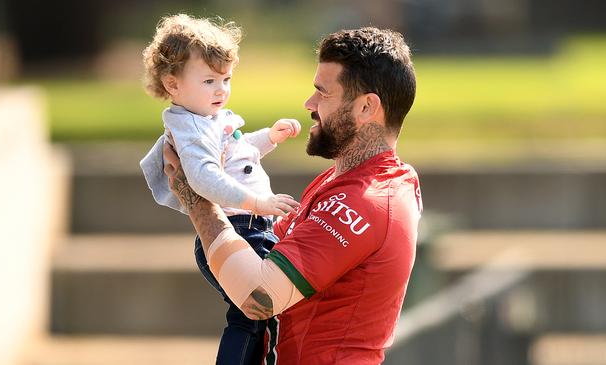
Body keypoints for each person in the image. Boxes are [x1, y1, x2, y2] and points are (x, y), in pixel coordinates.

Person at [164, 26, 422, 364]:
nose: (309, 104)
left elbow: (261, 297)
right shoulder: (349, 181)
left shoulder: (362, 201)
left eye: (322, 92)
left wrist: (195, 196)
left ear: (365, 108)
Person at [138, 14, 301, 365]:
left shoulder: (208, 119)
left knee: (255, 314)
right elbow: (204, 178)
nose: (221, 90)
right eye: (209, 80)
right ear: (173, 85)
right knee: (253, 311)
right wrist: (258, 202)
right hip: (237, 230)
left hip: (247, 228)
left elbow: (236, 151)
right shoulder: (191, 130)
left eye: (226, 79)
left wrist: (269, 138)